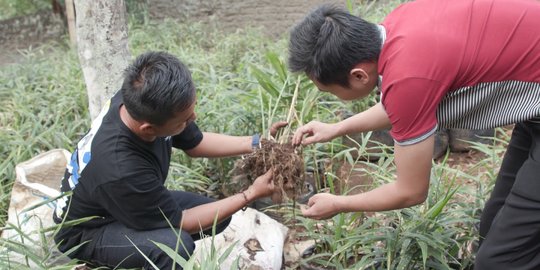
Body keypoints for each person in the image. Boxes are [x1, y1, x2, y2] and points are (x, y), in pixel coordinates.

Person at [288, 1, 540, 269]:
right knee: (492, 226)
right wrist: (337, 128)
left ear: (359, 75)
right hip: (533, 110)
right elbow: (403, 103)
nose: (333, 96)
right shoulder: (397, 26)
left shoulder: (409, 76)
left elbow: (410, 192)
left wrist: (338, 203)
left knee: (499, 262)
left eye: (330, 91)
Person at [53, 51, 285, 269]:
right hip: (88, 231)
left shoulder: (145, 103)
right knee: (175, 246)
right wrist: (250, 194)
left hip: (121, 201)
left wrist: (259, 144)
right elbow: (183, 222)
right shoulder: (121, 168)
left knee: (219, 218)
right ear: (148, 129)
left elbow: (196, 144)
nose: (193, 118)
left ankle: (141, 241)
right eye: (184, 120)